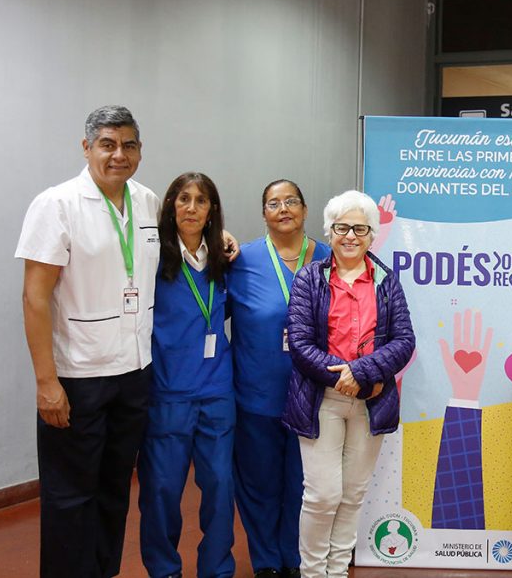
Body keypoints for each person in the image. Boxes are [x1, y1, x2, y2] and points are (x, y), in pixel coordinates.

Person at [16, 105, 239, 578]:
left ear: (139, 151)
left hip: (135, 376)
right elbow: (34, 298)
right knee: (70, 494)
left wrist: (223, 235)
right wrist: (46, 382)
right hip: (78, 376)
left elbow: (188, 232)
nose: (119, 154)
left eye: (128, 145)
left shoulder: (146, 201)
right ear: (87, 147)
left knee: (114, 489)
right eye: (107, 144)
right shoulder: (57, 205)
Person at [282, 190, 415, 578]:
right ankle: (312, 573)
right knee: (322, 495)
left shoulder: (387, 281)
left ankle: (337, 572)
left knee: (353, 495)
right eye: (342, 228)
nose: (351, 236)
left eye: (360, 228)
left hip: (371, 401)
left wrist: (363, 373)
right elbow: (300, 343)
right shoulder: (309, 278)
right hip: (319, 400)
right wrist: (344, 377)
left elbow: (404, 341)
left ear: (372, 234)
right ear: (330, 231)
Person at [229, 179, 331, 578]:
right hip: (257, 395)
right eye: (274, 203)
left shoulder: (329, 259)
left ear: (305, 210)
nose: (283, 208)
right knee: (259, 482)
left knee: (303, 483)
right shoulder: (242, 260)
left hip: (315, 396)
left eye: (291, 201)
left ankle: (294, 558)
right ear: (263, 214)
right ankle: (267, 562)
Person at [138, 172, 235, 578]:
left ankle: (217, 570)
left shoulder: (225, 259)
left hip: (216, 391)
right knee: (161, 491)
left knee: (220, 486)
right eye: (183, 199)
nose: (192, 208)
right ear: (170, 207)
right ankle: (164, 571)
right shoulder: (152, 258)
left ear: (212, 210)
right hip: (169, 392)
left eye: (201, 200)